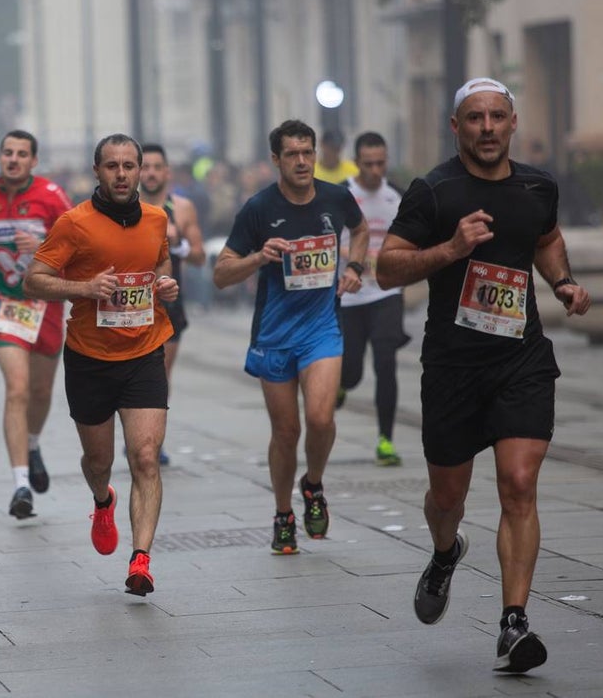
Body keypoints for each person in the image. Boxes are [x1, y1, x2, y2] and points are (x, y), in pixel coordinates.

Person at [376, 77, 591, 674]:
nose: (488, 127)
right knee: (448, 497)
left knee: (519, 484)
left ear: (513, 123)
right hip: (452, 367)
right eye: (475, 118)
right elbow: (387, 266)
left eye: (498, 116)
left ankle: (512, 624)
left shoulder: (536, 185)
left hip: (520, 358)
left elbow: (544, 237)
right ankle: (445, 552)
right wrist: (449, 249)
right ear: (457, 127)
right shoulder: (434, 191)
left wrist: (563, 282)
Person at [24, 133, 179, 596]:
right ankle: (102, 499)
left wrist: (165, 284)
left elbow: (161, 261)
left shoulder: (157, 219)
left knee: (146, 457)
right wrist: (84, 289)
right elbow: (34, 280)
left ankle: (141, 560)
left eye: (129, 165)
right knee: (99, 460)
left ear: (139, 169)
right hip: (90, 358)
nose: (122, 174)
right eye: (112, 166)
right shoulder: (75, 224)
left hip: (145, 351)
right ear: (97, 171)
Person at [212, 119, 369, 555]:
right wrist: (259, 257)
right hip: (274, 332)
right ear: (276, 160)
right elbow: (221, 273)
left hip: (321, 327)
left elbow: (360, 229)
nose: (301, 161)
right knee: (286, 431)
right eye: (292, 154)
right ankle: (283, 513)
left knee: (320, 419)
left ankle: (313, 484)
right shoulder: (258, 208)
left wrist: (355, 268)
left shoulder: (336, 197)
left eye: (308, 152)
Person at [0, 130, 72, 519]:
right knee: (18, 389)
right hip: (6, 305)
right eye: (8, 152)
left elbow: (77, 246)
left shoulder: (52, 196)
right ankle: (20, 484)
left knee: (41, 392)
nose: (13, 159)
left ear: (33, 161)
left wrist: (40, 247)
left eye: (22, 154)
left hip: (47, 306)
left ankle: (34, 443)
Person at [337, 132, 409, 466]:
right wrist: (358, 258)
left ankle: (385, 439)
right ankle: (339, 386)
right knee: (350, 373)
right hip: (350, 297)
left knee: (386, 361)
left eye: (381, 163)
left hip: (386, 293)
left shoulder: (396, 196)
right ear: (357, 162)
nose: (375, 170)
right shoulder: (342, 196)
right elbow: (330, 241)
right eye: (368, 164)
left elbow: (408, 242)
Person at [138, 143, 206, 465]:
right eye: (145, 167)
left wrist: (177, 244)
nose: (150, 172)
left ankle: (153, 440)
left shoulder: (182, 208)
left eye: (156, 167)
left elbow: (200, 256)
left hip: (169, 303)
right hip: (134, 304)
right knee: (132, 374)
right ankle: (137, 434)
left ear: (166, 172)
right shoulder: (127, 208)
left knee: (161, 375)